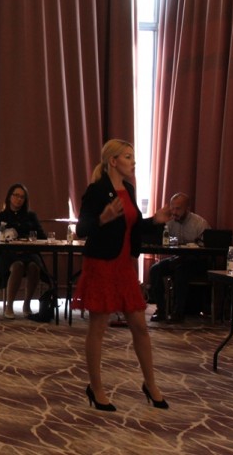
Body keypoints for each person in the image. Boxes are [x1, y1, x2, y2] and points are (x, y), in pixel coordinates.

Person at [73, 139, 171, 411]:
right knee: (98, 328)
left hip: (124, 266)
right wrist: (102, 219)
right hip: (102, 264)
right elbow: (82, 228)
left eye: (133, 156)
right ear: (113, 161)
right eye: (128, 156)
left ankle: (150, 385)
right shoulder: (96, 190)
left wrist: (155, 221)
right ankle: (96, 388)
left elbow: (134, 227)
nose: (133, 161)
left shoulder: (128, 190)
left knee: (140, 326)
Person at [0, 183, 49, 321]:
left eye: (22, 197)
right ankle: (9, 306)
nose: (19, 199)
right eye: (16, 195)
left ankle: (27, 304)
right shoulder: (1, 216)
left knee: (34, 267)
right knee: (18, 266)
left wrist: (29, 238)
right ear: (9, 197)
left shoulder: (31, 216)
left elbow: (42, 237)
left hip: (28, 252)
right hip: (8, 254)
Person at [147, 193, 210, 322]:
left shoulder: (200, 223)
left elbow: (207, 249)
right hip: (177, 258)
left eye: (178, 209)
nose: (174, 212)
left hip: (196, 261)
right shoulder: (169, 222)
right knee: (155, 269)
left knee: (181, 270)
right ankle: (161, 310)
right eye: (173, 208)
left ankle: (178, 312)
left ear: (187, 208)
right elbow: (160, 239)